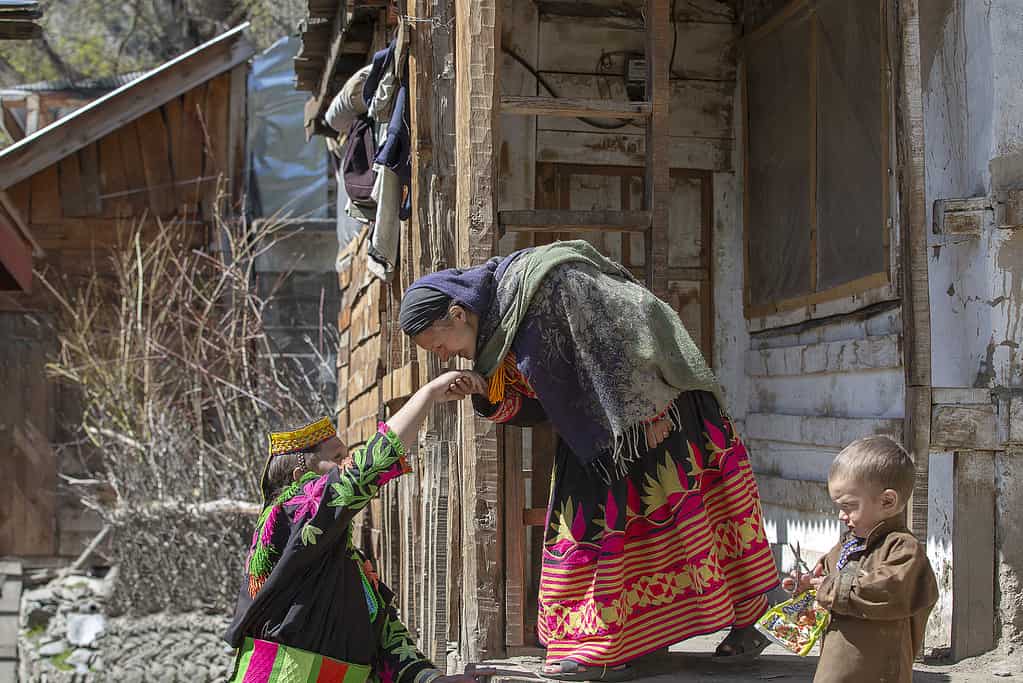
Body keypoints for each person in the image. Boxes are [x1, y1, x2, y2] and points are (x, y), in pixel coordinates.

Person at [399, 241, 779, 680]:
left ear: (459, 313)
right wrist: (486, 390)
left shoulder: (546, 285)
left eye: (439, 344)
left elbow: (621, 337)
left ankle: (733, 625)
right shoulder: (505, 326)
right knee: (600, 526)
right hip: (602, 430)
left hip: (657, 409)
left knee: (681, 519)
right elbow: (548, 402)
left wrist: (648, 412)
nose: (443, 356)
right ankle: (623, 641)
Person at [224, 370, 490, 683]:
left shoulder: (343, 561)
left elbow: (386, 640)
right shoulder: (287, 513)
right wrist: (427, 395)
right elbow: (364, 471)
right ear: (299, 480)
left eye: (347, 456)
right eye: (337, 457)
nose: (347, 463)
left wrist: (433, 679)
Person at [783, 436, 938, 683]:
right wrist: (807, 585)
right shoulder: (847, 544)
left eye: (849, 506)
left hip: (878, 672)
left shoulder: (902, 548)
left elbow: (886, 590)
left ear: (887, 501)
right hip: (837, 664)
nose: (841, 516)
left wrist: (828, 587)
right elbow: (826, 581)